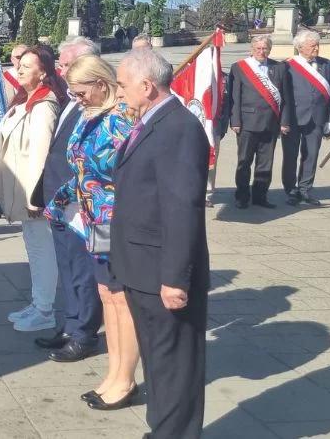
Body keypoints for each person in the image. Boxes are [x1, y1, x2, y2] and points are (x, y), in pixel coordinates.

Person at [114, 48, 210, 439]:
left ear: (146, 85)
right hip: (141, 266)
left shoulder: (179, 128)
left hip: (163, 272)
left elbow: (181, 207)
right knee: (158, 362)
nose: (118, 92)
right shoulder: (152, 121)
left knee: (175, 366)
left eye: (122, 85)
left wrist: (175, 277)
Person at [46, 54, 140, 410]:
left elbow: (125, 175)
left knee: (121, 300)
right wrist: (61, 200)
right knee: (107, 296)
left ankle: (125, 379)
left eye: (81, 91)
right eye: (72, 93)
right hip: (92, 221)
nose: (77, 99)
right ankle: (114, 373)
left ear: (102, 84)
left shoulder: (121, 120)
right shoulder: (91, 116)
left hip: (116, 221)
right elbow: (82, 170)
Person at [30, 37, 102, 362]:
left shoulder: (97, 109)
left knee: (83, 272)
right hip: (59, 202)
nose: (58, 69)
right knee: (67, 267)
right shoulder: (73, 100)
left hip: (80, 206)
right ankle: (70, 325)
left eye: (63, 64)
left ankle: (84, 334)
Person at [0, 46, 63, 332]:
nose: (18, 68)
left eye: (27, 65)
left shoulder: (45, 105)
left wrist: (36, 195)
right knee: (34, 248)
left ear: (43, 73)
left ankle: (45, 310)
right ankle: (37, 302)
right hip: (23, 188)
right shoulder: (28, 100)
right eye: (19, 64)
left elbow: (41, 155)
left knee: (42, 250)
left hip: (34, 194)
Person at [229, 35, 289, 209]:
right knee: (244, 162)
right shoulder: (239, 68)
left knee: (265, 163)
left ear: (269, 49)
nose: (262, 52)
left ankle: (260, 196)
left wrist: (284, 121)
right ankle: (241, 196)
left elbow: (286, 98)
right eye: (258, 48)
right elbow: (235, 96)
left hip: (271, 123)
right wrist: (235, 121)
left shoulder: (279, 68)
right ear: (252, 49)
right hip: (247, 123)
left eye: (265, 49)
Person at [281, 29, 330, 206]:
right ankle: (291, 190)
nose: (317, 48)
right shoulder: (287, 65)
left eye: (317, 45)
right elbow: (282, 95)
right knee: (290, 156)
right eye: (313, 45)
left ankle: (305, 189)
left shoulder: (326, 65)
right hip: (293, 119)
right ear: (299, 47)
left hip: (317, 119)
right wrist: (283, 120)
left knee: (311, 155)